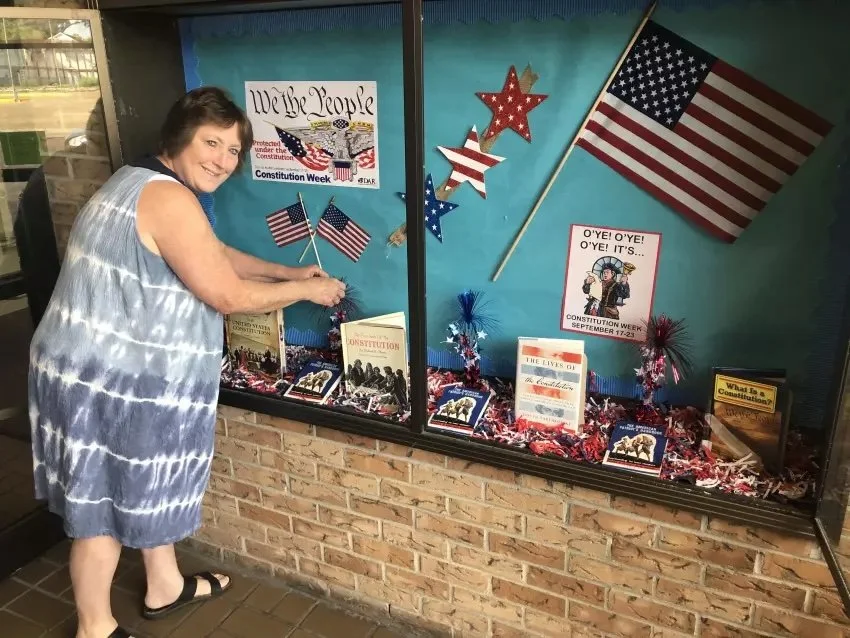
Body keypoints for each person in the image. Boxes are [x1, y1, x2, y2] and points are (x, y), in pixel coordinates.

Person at [27, 86, 346, 638]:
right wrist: (308, 294)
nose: (224, 160)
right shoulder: (168, 198)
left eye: (234, 150)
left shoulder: (139, 180)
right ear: (180, 139)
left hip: (94, 368)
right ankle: (94, 628)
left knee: (152, 479)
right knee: (99, 511)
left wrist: (289, 273)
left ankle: (164, 584)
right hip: (105, 381)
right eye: (212, 143)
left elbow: (211, 252)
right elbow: (226, 294)